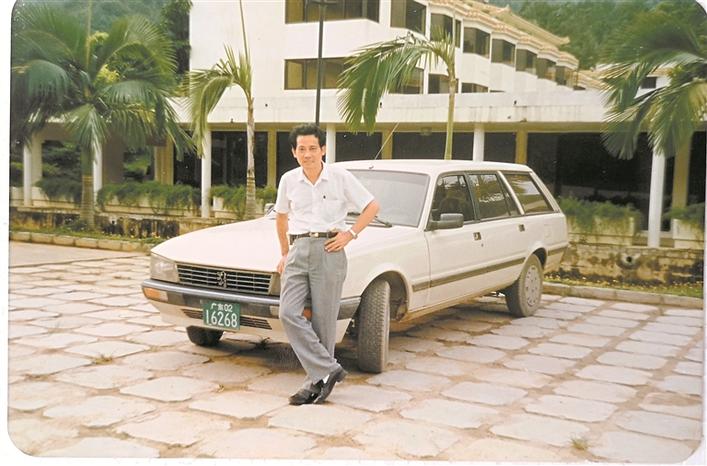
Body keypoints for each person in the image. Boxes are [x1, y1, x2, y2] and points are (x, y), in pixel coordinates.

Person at [274, 123, 380, 405]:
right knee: (288, 313)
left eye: (312, 148)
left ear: (323, 149)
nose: (307, 154)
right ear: (294, 152)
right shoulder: (288, 180)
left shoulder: (340, 177)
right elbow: (281, 217)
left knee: (324, 322)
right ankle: (329, 369)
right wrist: (284, 253)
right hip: (298, 249)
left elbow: (372, 206)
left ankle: (315, 383)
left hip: (329, 249)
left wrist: (350, 234)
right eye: (301, 149)